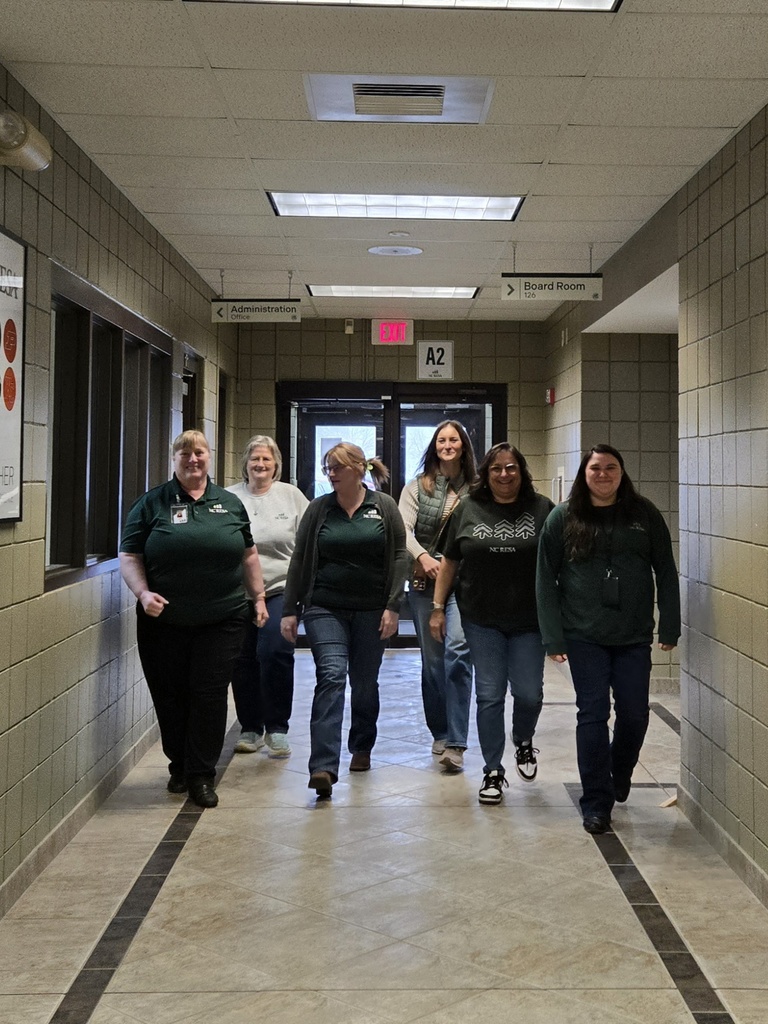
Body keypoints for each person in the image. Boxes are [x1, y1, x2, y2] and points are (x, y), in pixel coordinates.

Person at [536, 444, 680, 835]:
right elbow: (545, 579)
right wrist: (552, 637)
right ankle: (596, 803)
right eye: (595, 468)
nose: (603, 474)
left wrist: (670, 624)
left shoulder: (644, 514)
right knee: (593, 713)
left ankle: (620, 767)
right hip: (583, 634)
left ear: (622, 472)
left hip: (633, 634)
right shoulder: (563, 517)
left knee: (635, 713)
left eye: (610, 467)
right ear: (584, 474)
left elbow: (666, 570)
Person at [119, 430, 268, 809]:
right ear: (174, 459)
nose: (193, 459)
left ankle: (201, 774)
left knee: (209, 694)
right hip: (163, 621)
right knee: (170, 695)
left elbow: (249, 554)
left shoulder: (229, 503)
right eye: (184, 453)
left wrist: (259, 598)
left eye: (199, 452)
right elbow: (130, 555)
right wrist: (142, 593)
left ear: (209, 457)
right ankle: (180, 765)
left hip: (223, 617)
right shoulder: (151, 503)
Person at [280, 442, 409, 799]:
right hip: (325, 607)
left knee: (364, 683)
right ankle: (323, 766)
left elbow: (400, 556)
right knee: (332, 676)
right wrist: (290, 609)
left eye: (337, 467)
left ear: (358, 469)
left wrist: (393, 606)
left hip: (372, 609)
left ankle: (362, 745)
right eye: (328, 468)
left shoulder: (383, 506)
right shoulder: (319, 508)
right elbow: (300, 557)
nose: (331, 474)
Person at [430, 442, 554, 805]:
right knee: (489, 694)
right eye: (496, 468)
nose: (504, 474)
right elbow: (449, 560)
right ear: (486, 473)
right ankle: (493, 771)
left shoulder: (542, 508)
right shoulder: (468, 507)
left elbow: (559, 561)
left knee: (529, 694)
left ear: (521, 471)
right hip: (481, 618)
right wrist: (438, 607)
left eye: (511, 467)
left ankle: (523, 738)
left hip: (529, 620)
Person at [398, 420, 476, 772]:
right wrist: (423, 557)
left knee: (457, 651)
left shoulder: (477, 488)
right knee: (433, 663)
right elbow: (403, 529)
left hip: (464, 584)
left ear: (463, 446)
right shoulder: (417, 487)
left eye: (453, 439)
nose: (447, 445)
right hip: (425, 583)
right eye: (442, 440)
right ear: (435, 446)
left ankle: (457, 740)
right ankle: (440, 731)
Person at [226, 436, 309, 759]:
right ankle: (250, 727)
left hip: (280, 589)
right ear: (245, 464)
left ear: (276, 465)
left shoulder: (291, 496)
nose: (260, 465)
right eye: (255, 459)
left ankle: (277, 728)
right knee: (242, 659)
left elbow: (308, 541)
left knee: (275, 652)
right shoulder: (230, 497)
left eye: (266, 459)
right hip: (238, 593)